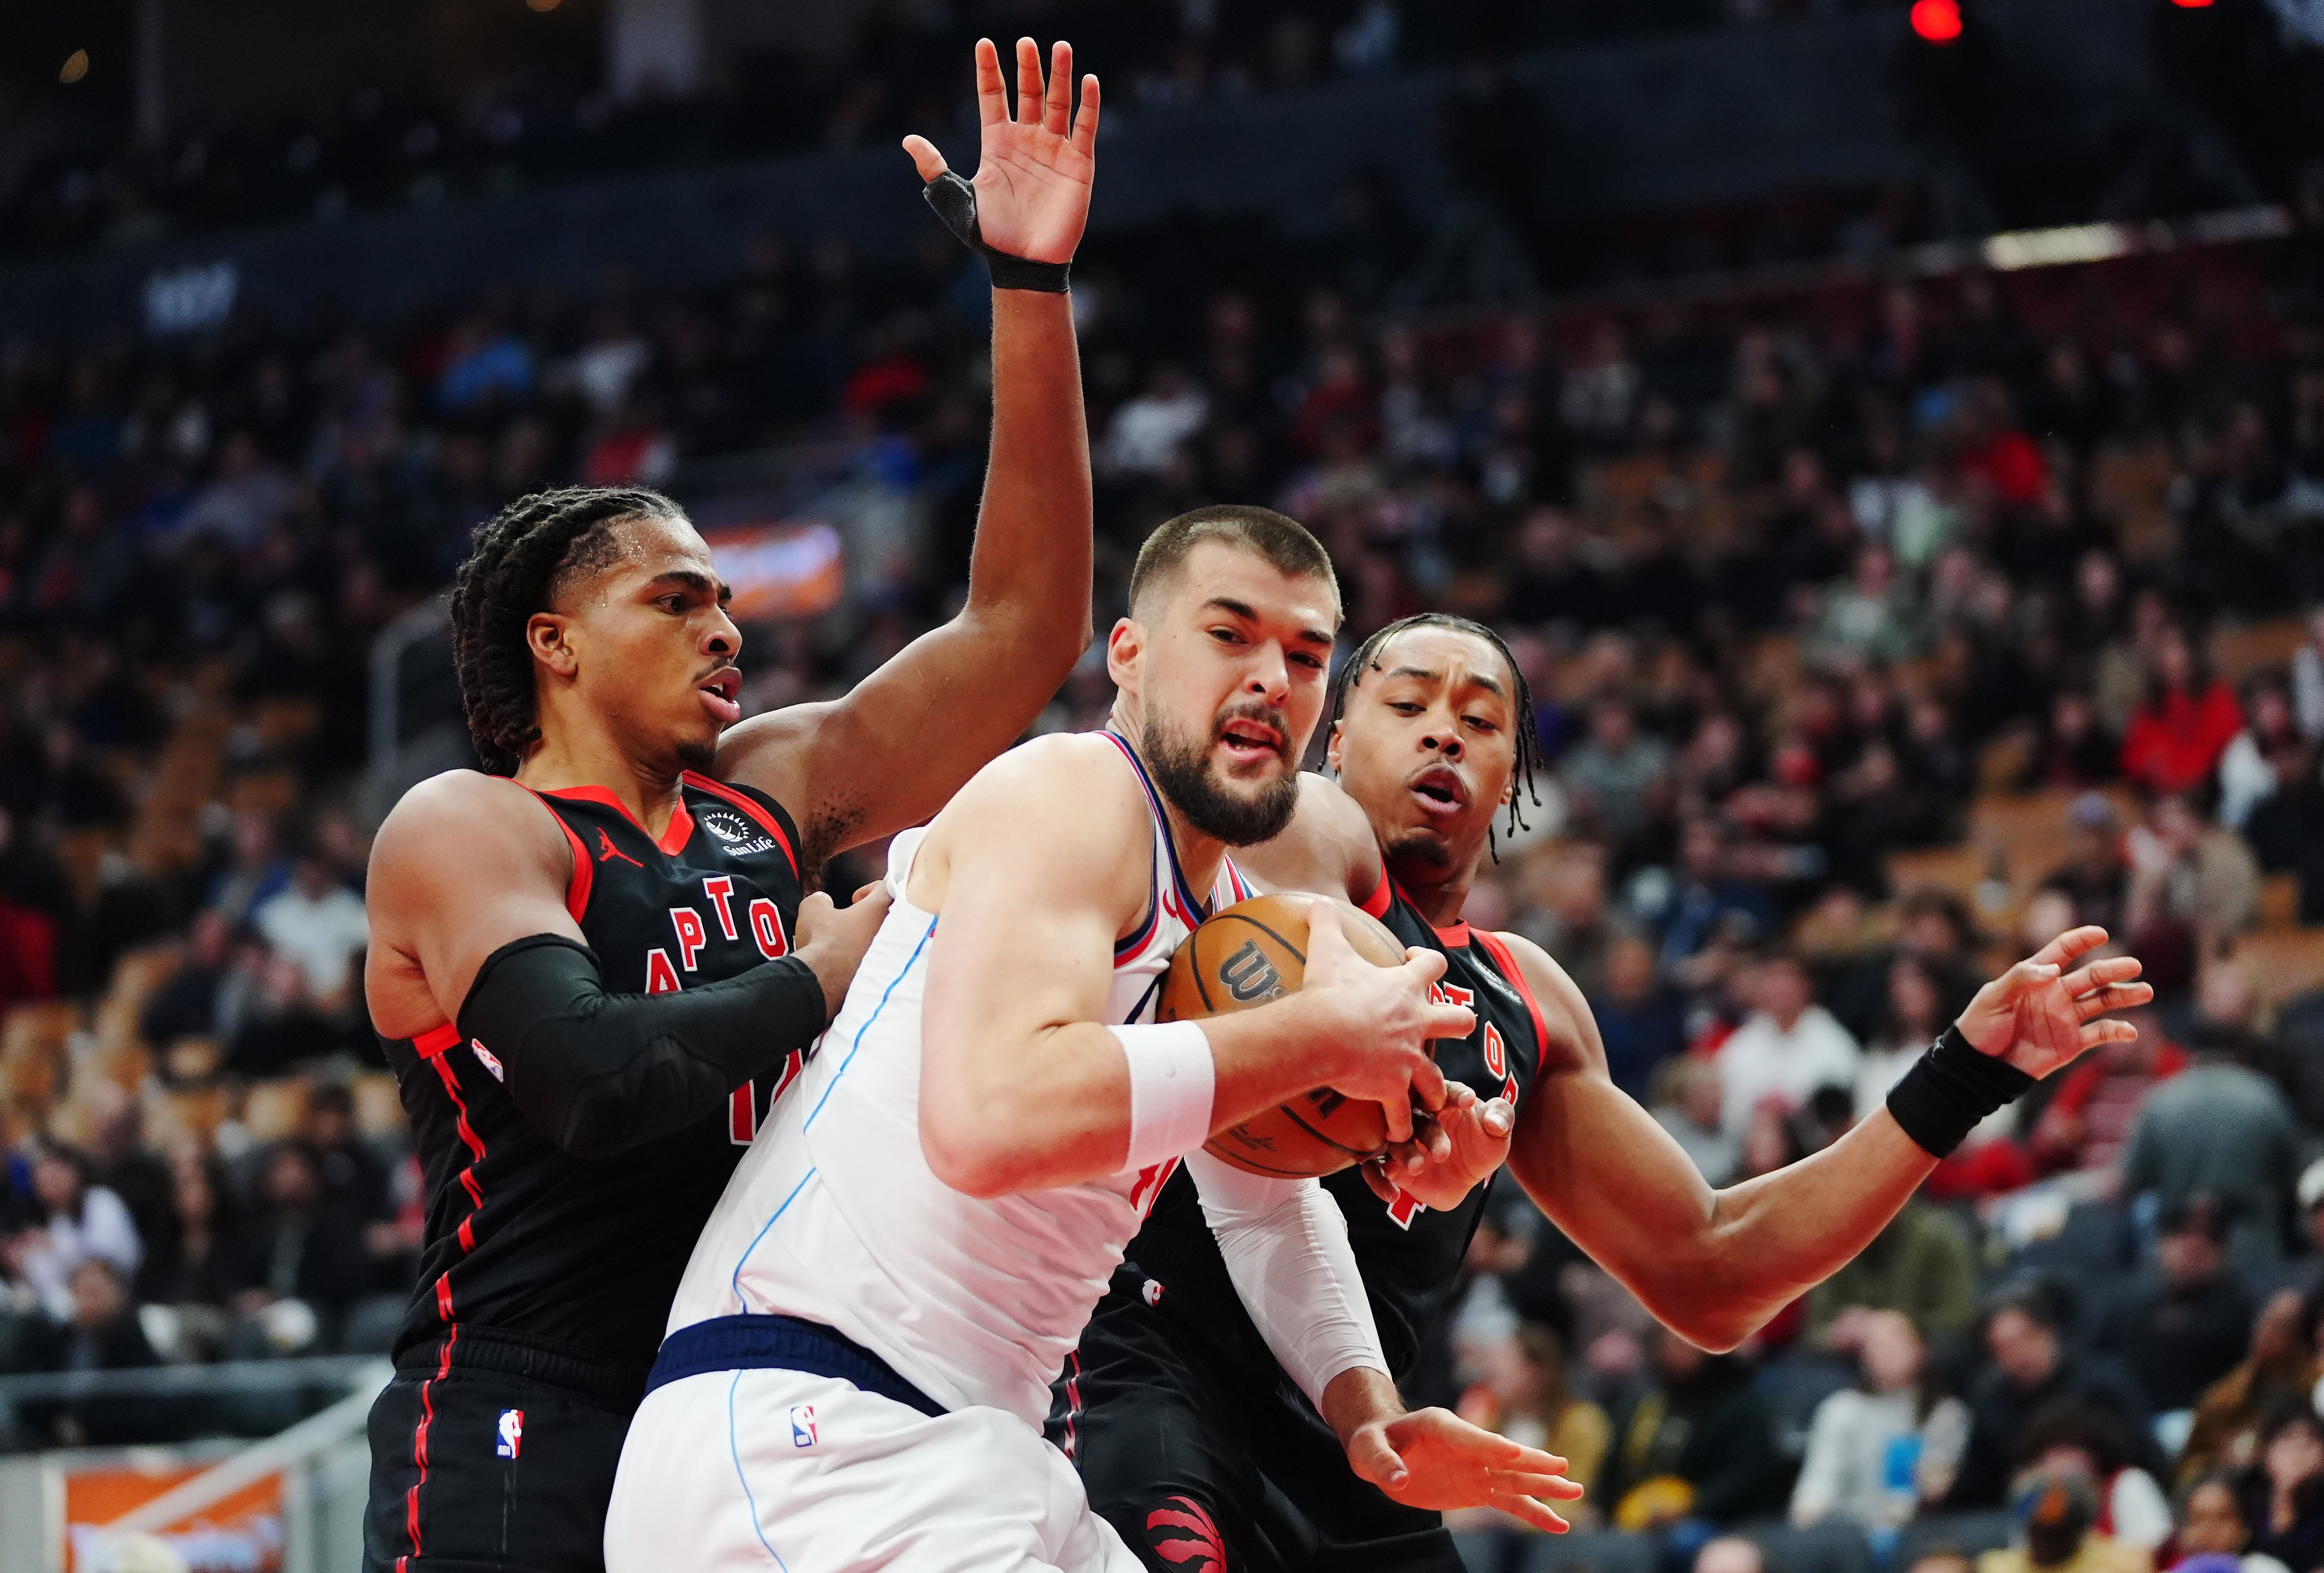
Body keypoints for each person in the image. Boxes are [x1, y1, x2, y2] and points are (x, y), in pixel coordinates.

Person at [359, 39, 1104, 1573]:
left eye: (728, 602)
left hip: (733, 1413)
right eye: (677, 600)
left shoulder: (770, 793)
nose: (729, 630)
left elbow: (1024, 631)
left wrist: (1029, 290)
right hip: (526, 1405)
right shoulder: (469, 830)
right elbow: (593, 1084)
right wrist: (826, 970)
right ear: (552, 645)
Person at [1065, 601, 2149, 1573]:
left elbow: (1713, 1275)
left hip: (1364, 1444)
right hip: (1151, 1375)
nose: (1442, 728)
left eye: (1480, 719)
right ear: (1335, 740)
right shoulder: (1280, 845)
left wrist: (1962, 1073)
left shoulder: (1523, 1000)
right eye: (1406, 703)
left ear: (1508, 781)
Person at [605, 505, 1575, 1573]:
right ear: (1128, 654)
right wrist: (1315, 1035)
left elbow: (1261, 1202)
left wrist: (1365, 1412)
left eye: (1304, 654)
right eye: (1229, 634)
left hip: (971, 1449)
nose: (1270, 677)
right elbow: (989, 1120)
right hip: (814, 1432)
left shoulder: (1232, 924)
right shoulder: (1072, 791)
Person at [1948, 1287, 2154, 1511]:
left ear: (2048, 1334)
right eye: (2001, 1349)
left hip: (2107, 1504)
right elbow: (1977, 1481)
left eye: (2021, 1340)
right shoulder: (1992, 1399)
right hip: (2021, 1514)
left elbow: (2141, 1453)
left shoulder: (2102, 1384)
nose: (2013, 1355)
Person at [1790, 1309, 1971, 1532]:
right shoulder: (1841, 1409)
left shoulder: (1946, 1414)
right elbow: (1817, 1485)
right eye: (1876, 1344)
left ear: (1921, 1350)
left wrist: (1930, 1479)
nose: (1887, 1351)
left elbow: (1940, 1485)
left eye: (1897, 1340)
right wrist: (1807, 1526)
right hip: (1846, 1532)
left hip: (1917, 1532)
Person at [2089, 1197, 2254, 1414]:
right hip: (2133, 1421)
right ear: (2161, 1244)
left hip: (2211, 1423)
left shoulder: (2243, 1310)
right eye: (2181, 1234)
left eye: (2211, 1237)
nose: (2194, 1246)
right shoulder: (2124, 1304)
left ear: (2224, 1252)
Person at [1713, 950, 1864, 1141]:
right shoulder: (1740, 1046)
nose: (1780, 988)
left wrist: (1794, 1112)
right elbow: (1727, 1117)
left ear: (1807, 985)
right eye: (1773, 979)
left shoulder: (1836, 1046)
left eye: (1788, 978)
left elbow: (1846, 1118)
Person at [2181, 1290, 2317, 1481]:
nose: (2266, 1332)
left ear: (2303, 1340)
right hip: (2227, 1483)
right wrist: (2223, 1458)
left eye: (2281, 1327)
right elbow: (2194, 1458)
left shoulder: (2314, 1386)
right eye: (2264, 1321)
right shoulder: (2228, 1393)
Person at [1974, 1468, 2146, 1573]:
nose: (2043, 1540)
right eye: (2036, 1530)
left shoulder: (2120, 1564)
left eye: (2055, 1533)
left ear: (2079, 1529)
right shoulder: (1996, 1567)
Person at [2241, 1405, 2324, 1572]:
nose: (2299, 1453)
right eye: (2289, 1440)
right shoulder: (2245, 1493)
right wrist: (2283, 1494)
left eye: (2311, 1441)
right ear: (2266, 1449)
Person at [2175, 1470, 2293, 1573]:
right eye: (2199, 1519)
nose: (2209, 1530)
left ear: (2244, 1529)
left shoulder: (2262, 1569)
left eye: (2222, 1518)